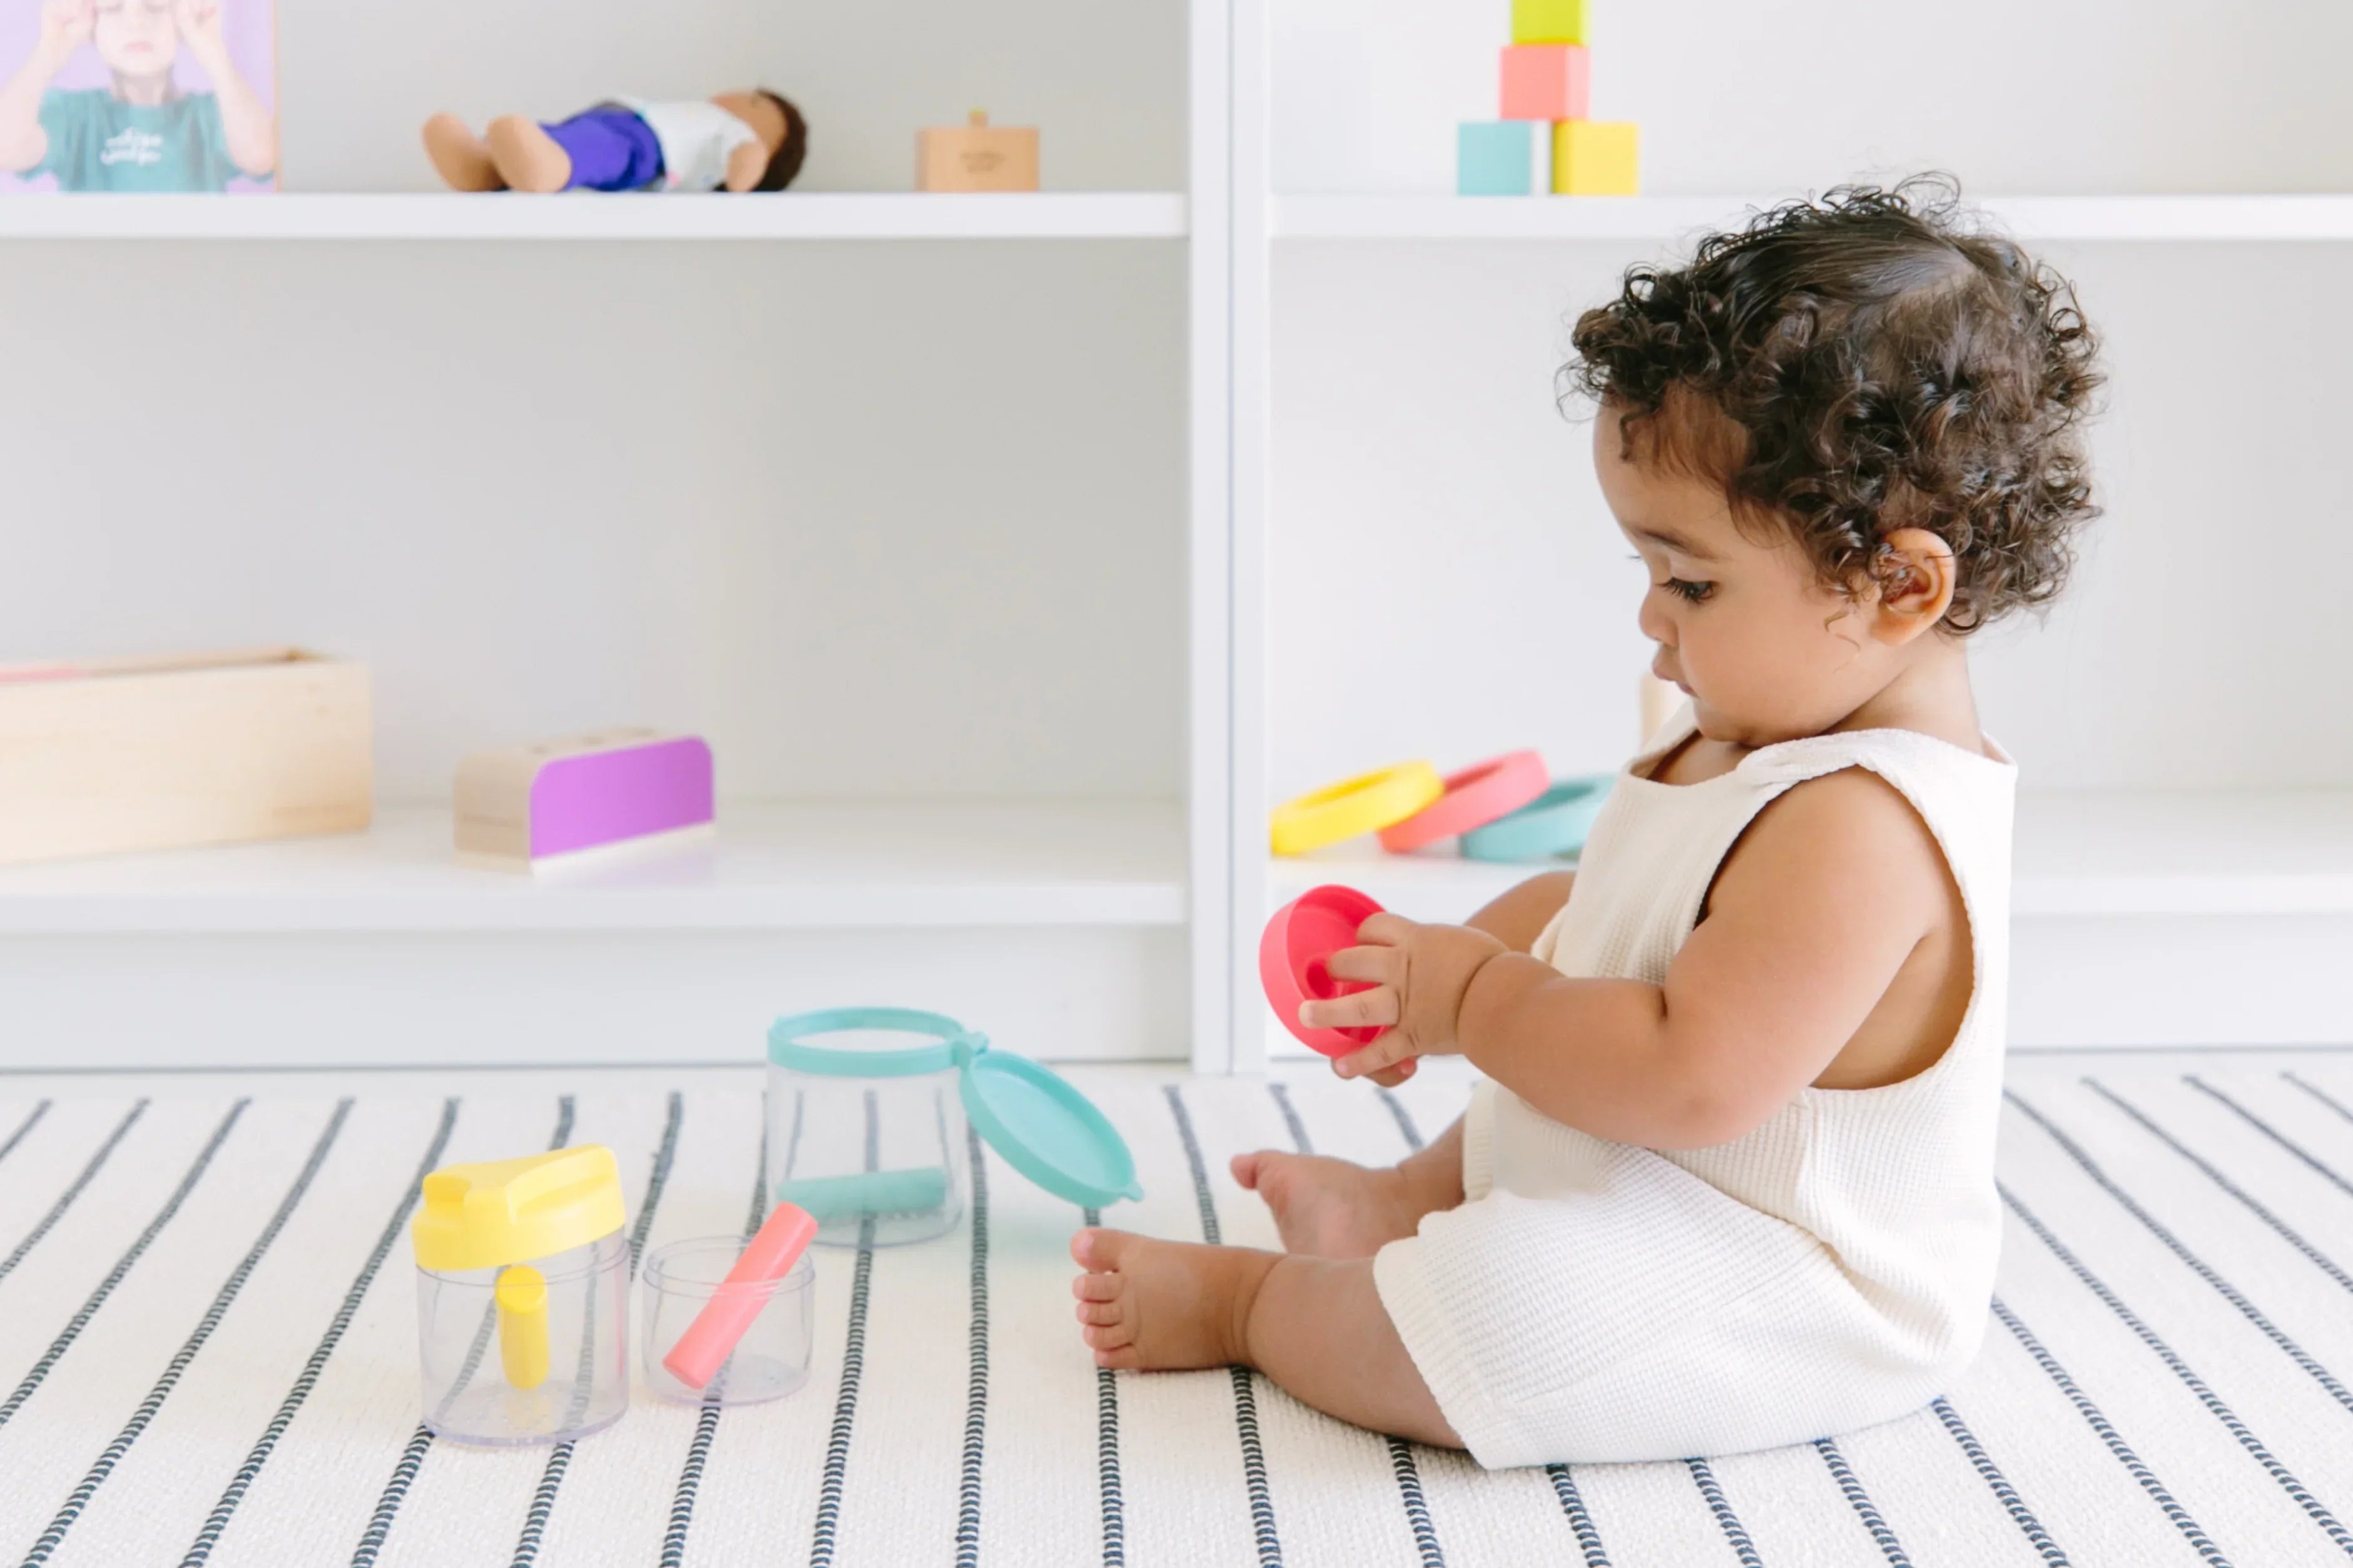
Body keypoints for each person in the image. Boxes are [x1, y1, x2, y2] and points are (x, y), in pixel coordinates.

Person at [1071, 178, 2104, 1467]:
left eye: (1688, 578)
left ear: (1895, 583)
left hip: (1792, 1269)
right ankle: (1397, 1201)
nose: (1648, 616)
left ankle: (1254, 1305)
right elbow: (1609, 904)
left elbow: (1685, 1073)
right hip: (1670, 1184)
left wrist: (1472, 1002)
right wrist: (1435, 964)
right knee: (1558, 1055)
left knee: (1507, 1310)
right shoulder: (1750, 726)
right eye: (1644, 571)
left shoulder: (1863, 821)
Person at [0, 0, 274, 191]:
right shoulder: (74, 115)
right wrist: (49, 50)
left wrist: (213, 51)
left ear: (181, 19)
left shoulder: (214, 115)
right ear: (91, 27)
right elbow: (7, 149)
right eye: (113, 6)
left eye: (156, 4)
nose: (136, 21)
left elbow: (262, 156)